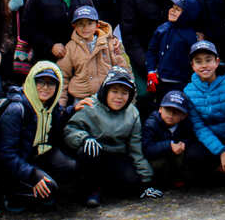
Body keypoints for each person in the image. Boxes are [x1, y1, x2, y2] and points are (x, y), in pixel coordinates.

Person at [63, 67, 160, 207]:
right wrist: (84, 138)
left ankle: (108, 187)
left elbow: (135, 148)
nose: (119, 97)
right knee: (89, 151)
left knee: (131, 182)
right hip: (94, 154)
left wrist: (147, 180)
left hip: (116, 155)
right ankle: (91, 190)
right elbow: (70, 130)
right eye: (114, 91)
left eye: (124, 93)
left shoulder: (132, 113)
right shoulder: (90, 105)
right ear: (105, 90)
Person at [0, 62, 78, 209]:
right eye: (40, 82)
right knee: (49, 195)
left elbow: (58, 120)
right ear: (32, 81)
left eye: (51, 83)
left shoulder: (50, 107)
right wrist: (33, 175)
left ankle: (38, 187)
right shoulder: (16, 109)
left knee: (69, 167)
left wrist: (73, 109)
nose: (45, 88)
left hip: (35, 157)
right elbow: (6, 154)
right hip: (14, 167)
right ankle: (10, 194)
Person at [180, 40, 225, 183]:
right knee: (192, 160)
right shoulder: (189, 91)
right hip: (211, 142)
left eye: (208, 60)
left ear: (216, 62)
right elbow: (199, 127)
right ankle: (218, 170)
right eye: (198, 62)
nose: (204, 65)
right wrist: (221, 152)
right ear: (193, 66)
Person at [57, 6, 129, 103]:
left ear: (97, 25)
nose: (85, 28)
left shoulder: (109, 43)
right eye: (80, 24)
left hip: (108, 96)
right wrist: (61, 104)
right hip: (82, 98)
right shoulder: (70, 48)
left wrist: (128, 96)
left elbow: (123, 69)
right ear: (74, 26)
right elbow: (63, 76)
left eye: (90, 23)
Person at [147, 0, 202, 101]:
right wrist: (151, 71)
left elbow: (194, 60)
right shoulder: (162, 29)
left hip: (180, 84)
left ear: (187, 14)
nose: (172, 11)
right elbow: (152, 51)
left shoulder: (190, 37)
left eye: (178, 9)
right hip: (159, 81)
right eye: (172, 7)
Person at [142, 90, 195, 186]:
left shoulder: (185, 124)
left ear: (184, 115)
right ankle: (160, 181)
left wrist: (184, 144)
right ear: (160, 109)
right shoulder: (151, 124)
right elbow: (146, 148)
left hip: (176, 156)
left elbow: (191, 138)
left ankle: (179, 178)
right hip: (158, 158)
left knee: (187, 156)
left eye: (176, 112)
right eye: (167, 110)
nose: (171, 115)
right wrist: (169, 145)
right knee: (159, 163)